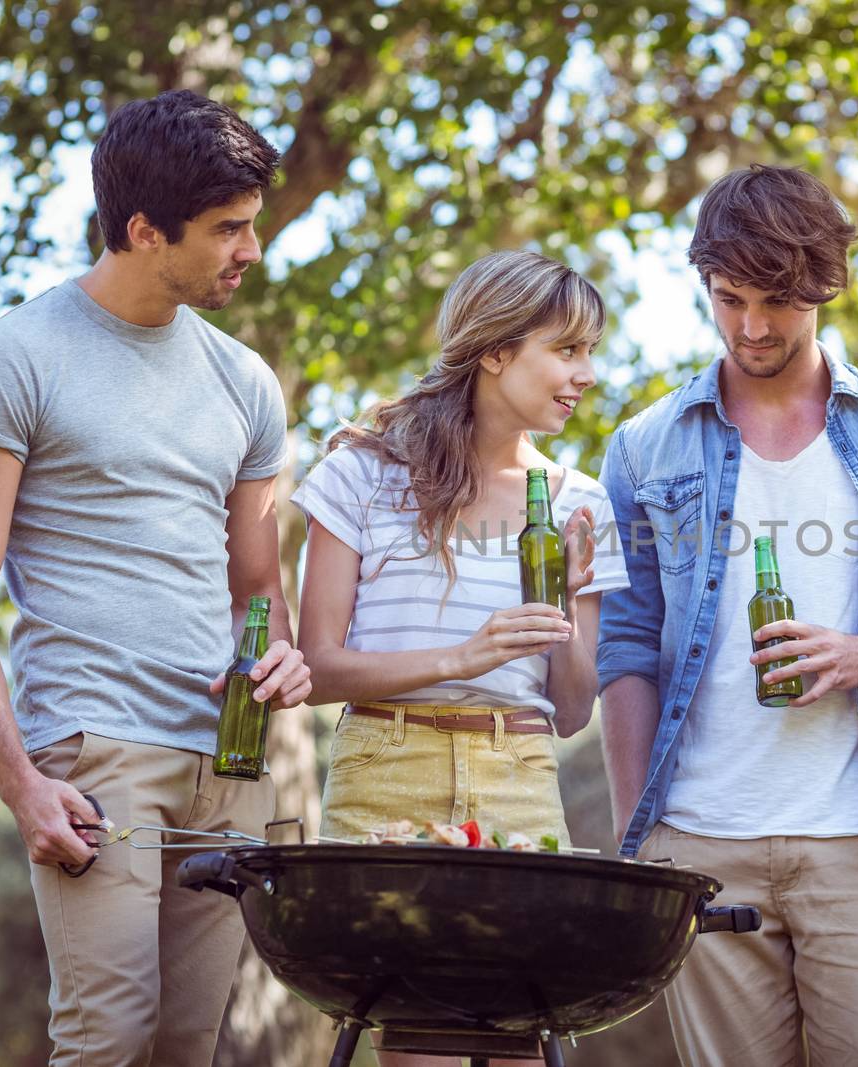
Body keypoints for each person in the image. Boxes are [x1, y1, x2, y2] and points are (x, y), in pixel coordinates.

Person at [0, 90, 312, 1066]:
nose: (249, 249)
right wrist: (21, 785)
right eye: (227, 229)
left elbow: (256, 584)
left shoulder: (245, 381)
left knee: (185, 1045)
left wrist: (282, 656)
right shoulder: (14, 357)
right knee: (109, 1036)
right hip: (95, 751)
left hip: (227, 760)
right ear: (143, 229)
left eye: (251, 224)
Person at [598, 165, 858, 1067]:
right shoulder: (642, 446)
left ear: (826, 285)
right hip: (699, 838)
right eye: (728, 298)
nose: (751, 326)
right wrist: (643, 844)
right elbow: (625, 643)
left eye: (778, 301)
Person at [292, 249, 628, 1067]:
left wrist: (562, 616)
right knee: (422, 1037)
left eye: (591, 351)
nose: (587, 372)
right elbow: (318, 667)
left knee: (520, 1037)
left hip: (520, 771)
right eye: (569, 349)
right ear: (496, 350)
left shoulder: (579, 503)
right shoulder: (363, 474)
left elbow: (575, 709)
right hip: (388, 771)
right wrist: (463, 655)